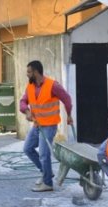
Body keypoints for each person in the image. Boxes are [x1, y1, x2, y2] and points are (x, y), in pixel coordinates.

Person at [19, 60, 73, 192]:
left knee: (44, 154)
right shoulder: (30, 87)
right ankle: (46, 172)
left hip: (49, 126)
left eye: (29, 72)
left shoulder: (53, 85)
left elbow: (66, 98)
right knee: (28, 148)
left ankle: (48, 183)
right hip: (37, 125)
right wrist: (27, 111)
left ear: (36, 72)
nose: (27, 74)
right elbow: (23, 101)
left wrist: (69, 114)